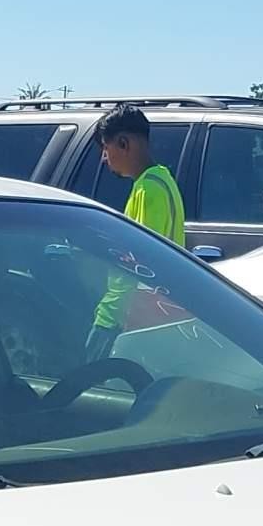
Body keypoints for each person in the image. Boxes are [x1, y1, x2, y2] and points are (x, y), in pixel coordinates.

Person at [85, 105, 186, 363]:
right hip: (158, 309)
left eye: (105, 149)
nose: (104, 159)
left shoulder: (148, 189)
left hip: (124, 316)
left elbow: (137, 262)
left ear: (123, 143)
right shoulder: (163, 179)